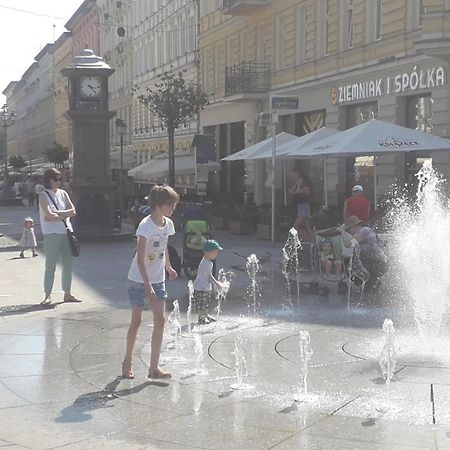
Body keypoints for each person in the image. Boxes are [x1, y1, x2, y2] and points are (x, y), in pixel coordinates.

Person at [122, 185, 179, 380]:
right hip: (139, 279)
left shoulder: (168, 224)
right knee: (136, 322)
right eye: (170, 205)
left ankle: (154, 368)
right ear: (158, 205)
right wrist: (147, 286)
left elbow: (165, 248)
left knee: (160, 321)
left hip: (158, 279)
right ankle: (127, 361)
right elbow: (140, 258)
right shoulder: (145, 226)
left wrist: (168, 267)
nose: (173, 208)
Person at [39, 168, 80, 305]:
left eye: (59, 179)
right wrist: (63, 214)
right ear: (49, 180)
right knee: (51, 265)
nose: (58, 182)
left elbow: (73, 211)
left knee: (68, 264)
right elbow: (48, 216)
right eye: (56, 179)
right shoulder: (43, 195)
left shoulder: (63, 193)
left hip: (66, 232)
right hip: (51, 234)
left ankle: (67, 294)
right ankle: (47, 294)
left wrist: (57, 213)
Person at [339, 215, 387, 292]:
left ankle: (370, 281)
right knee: (367, 287)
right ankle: (371, 282)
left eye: (348, 230)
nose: (349, 232)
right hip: (374, 261)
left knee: (348, 264)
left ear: (354, 226)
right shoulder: (362, 232)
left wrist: (342, 231)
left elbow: (348, 244)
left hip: (375, 262)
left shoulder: (364, 230)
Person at [193, 239, 225, 325]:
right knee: (201, 304)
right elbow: (209, 276)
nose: (217, 254)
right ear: (208, 252)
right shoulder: (205, 263)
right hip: (200, 287)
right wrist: (217, 283)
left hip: (205, 286)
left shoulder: (209, 262)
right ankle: (201, 317)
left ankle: (206, 316)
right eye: (215, 252)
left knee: (206, 303)